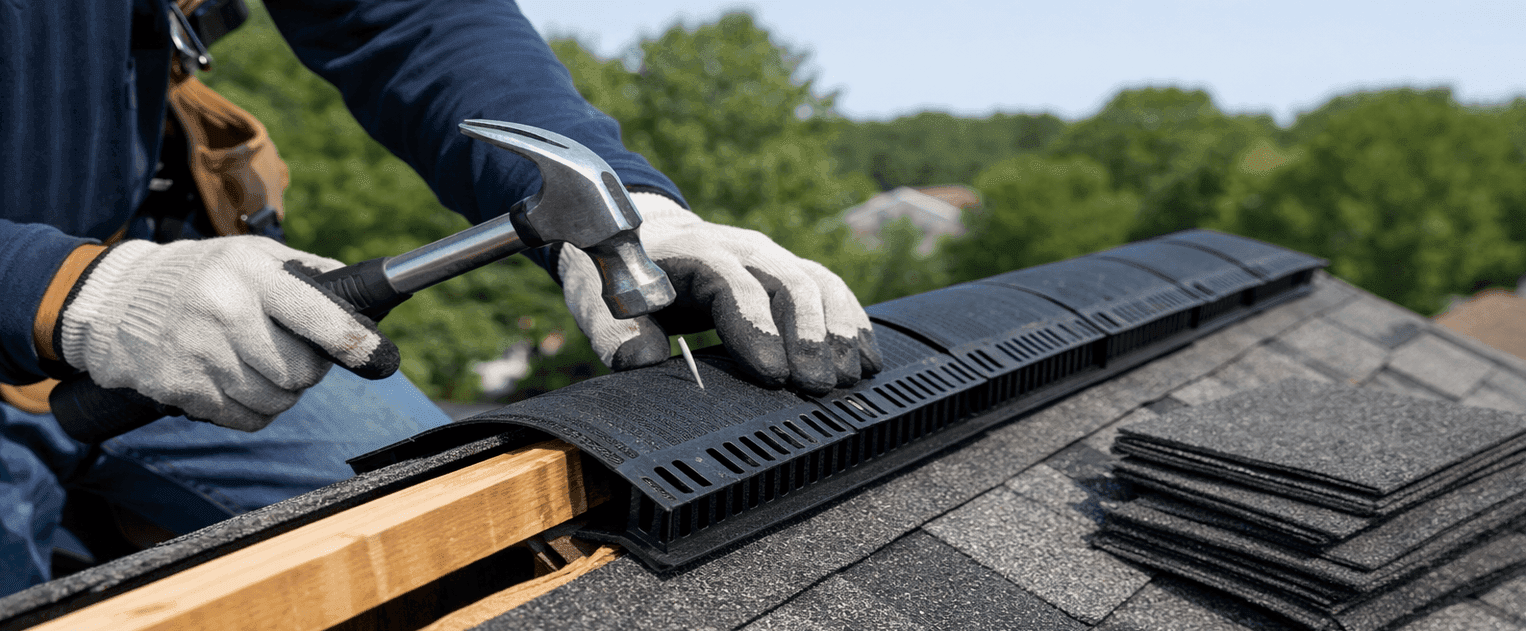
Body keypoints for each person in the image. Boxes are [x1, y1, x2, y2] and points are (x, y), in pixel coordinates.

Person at [0, 0, 880, 593]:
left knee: (491, 559)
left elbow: (413, 15)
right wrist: (46, 286)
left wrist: (632, 209)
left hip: (179, 296)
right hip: (95, 296)